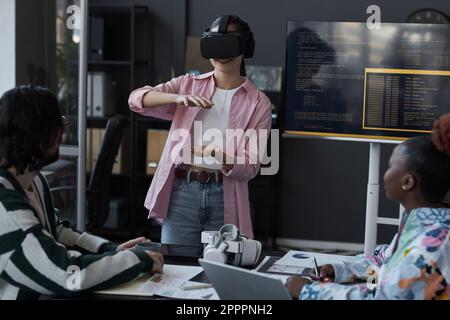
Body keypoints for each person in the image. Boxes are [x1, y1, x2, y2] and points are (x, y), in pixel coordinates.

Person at [0, 86, 164, 300]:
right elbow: (66, 274)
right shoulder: (5, 204)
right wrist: (138, 260)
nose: (62, 132)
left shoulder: (34, 180)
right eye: (59, 124)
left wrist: (111, 251)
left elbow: (56, 231)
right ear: (41, 135)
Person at [128, 15, 272, 246]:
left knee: (221, 268)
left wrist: (218, 153)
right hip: (181, 193)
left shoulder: (259, 103)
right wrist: (178, 98)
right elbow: (136, 99)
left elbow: (251, 167)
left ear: (245, 47)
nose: (222, 53)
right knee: (176, 266)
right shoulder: (187, 84)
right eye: (216, 43)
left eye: (230, 43)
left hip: (225, 197)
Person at [287, 113, 450, 300]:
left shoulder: (436, 244)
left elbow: (383, 297)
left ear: (408, 181)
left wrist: (308, 292)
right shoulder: (420, 223)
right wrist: (340, 271)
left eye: (390, 166)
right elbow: (383, 263)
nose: (385, 173)